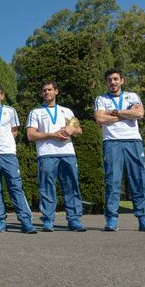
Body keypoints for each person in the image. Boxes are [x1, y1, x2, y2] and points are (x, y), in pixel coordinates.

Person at [94, 68, 145, 232]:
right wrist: (128, 114)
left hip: (133, 141)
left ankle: (143, 219)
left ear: (122, 80)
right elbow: (99, 118)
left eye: (115, 79)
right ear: (106, 82)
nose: (112, 82)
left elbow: (140, 114)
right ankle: (112, 219)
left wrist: (115, 112)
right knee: (112, 181)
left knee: (139, 179)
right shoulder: (101, 99)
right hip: (112, 142)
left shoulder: (132, 96)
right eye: (109, 80)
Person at [26, 80, 86, 232]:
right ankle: (48, 220)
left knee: (71, 186)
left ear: (56, 91)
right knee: (46, 188)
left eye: (50, 90)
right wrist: (52, 134)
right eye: (44, 90)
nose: (47, 92)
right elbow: (31, 135)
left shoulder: (67, 111)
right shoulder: (36, 112)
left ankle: (74, 219)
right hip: (46, 154)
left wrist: (71, 130)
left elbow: (79, 131)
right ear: (41, 93)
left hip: (67, 153)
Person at [0, 84, 37, 234]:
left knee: (15, 186)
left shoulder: (10, 111)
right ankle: (0, 220)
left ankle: (25, 219)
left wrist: (4, 144)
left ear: (2, 96)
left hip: (8, 154)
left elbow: (14, 131)